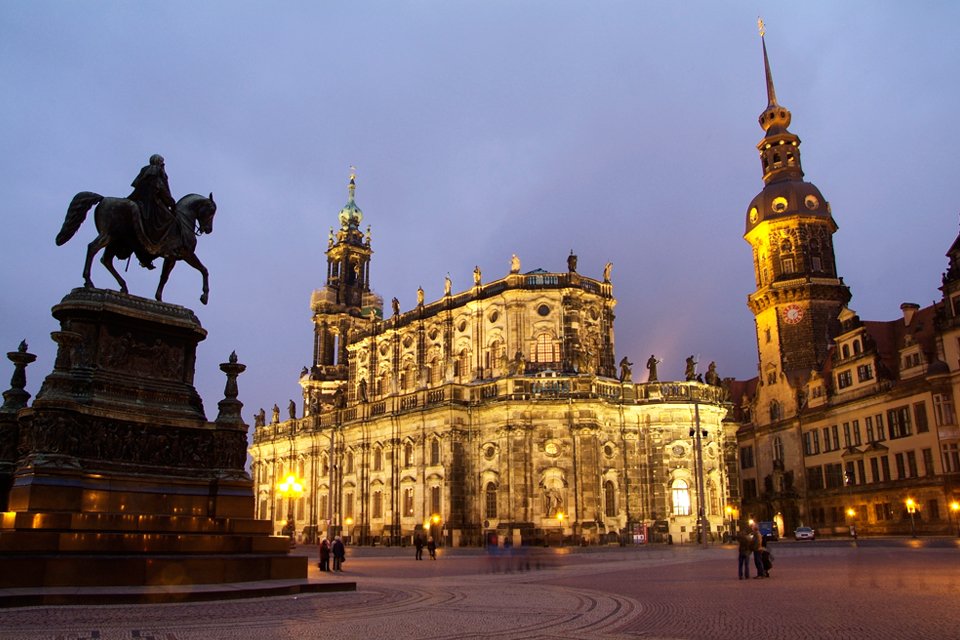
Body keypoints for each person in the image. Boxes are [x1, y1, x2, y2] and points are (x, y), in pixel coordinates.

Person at [128, 154, 177, 268]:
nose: (163, 164)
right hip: (151, 203)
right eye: (162, 162)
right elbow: (162, 189)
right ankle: (159, 247)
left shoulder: (145, 171)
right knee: (170, 219)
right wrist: (171, 202)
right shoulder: (158, 173)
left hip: (138, 200)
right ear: (159, 162)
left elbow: (136, 186)